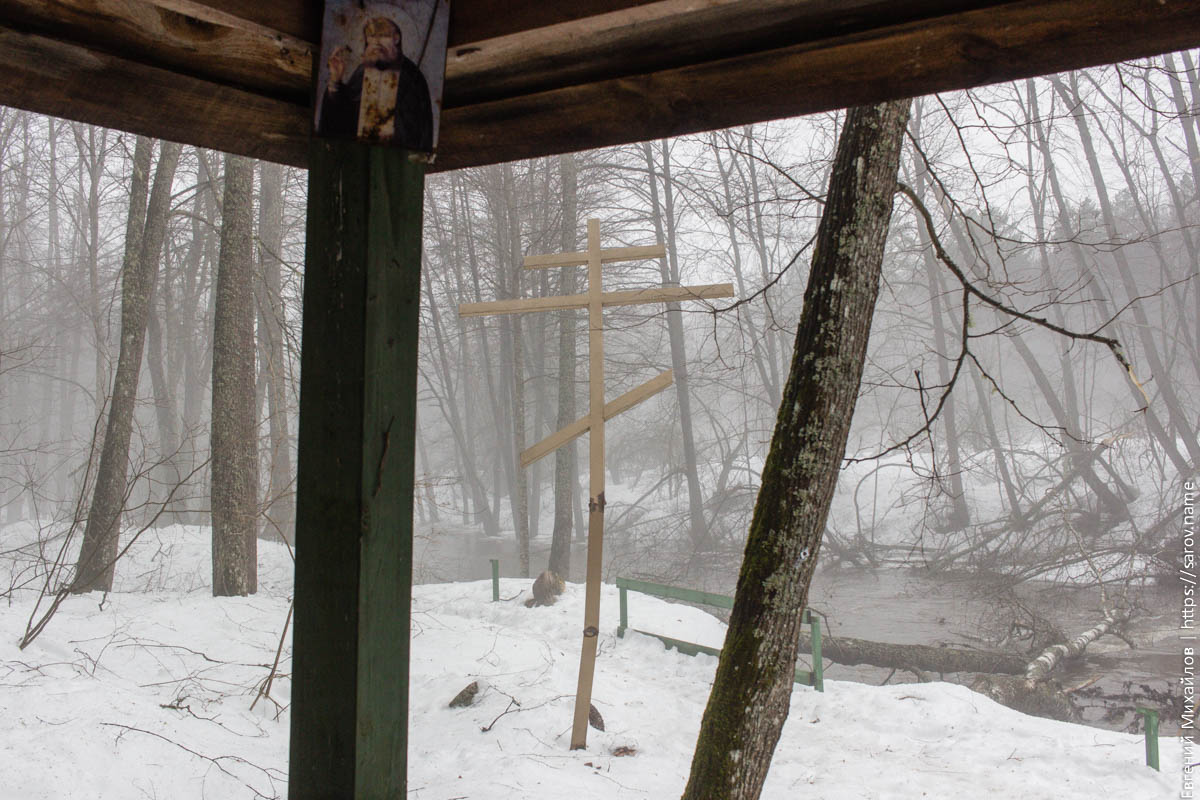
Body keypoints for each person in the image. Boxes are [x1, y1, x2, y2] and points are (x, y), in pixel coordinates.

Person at [318, 16, 434, 150]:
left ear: (396, 38)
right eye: (372, 36)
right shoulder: (362, 72)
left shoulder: (411, 76)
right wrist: (335, 81)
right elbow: (342, 120)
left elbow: (420, 132)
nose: (377, 42)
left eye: (383, 35)